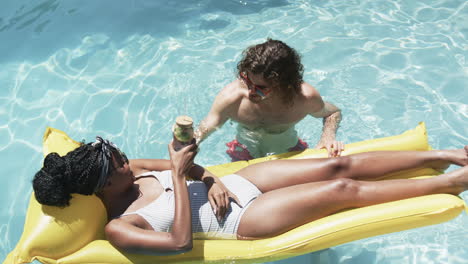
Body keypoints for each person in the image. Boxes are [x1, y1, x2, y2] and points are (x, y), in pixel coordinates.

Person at [33, 137, 468, 255]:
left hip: (237, 184)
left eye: (123, 156)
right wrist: (186, 179)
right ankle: (449, 183)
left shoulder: (140, 170)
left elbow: (193, 169)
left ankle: (445, 154)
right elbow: (179, 242)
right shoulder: (120, 227)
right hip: (245, 220)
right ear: (103, 187)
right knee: (342, 189)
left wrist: (210, 179)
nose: (129, 163)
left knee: (338, 164)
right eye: (119, 165)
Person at [195, 39, 344, 161]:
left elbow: (332, 113)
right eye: (247, 80)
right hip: (244, 149)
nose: (250, 91)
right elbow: (206, 126)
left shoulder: (304, 98)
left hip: (288, 149)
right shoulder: (232, 98)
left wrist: (327, 137)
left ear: (284, 84)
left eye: (260, 87)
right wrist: (188, 143)